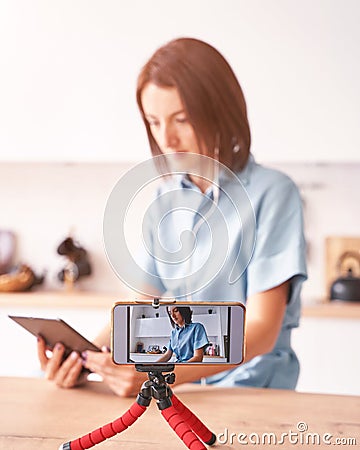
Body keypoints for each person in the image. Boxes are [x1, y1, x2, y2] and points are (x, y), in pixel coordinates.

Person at [37, 37, 307, 395]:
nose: (167, 137)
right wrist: (86, 358)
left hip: (254, 393)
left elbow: (260, 328)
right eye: (154, 121)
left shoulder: (273, 193)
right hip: (187, 395)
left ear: (220, 111)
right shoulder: (165, 199)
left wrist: (162, 374)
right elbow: (138, 307)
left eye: (182, 119)